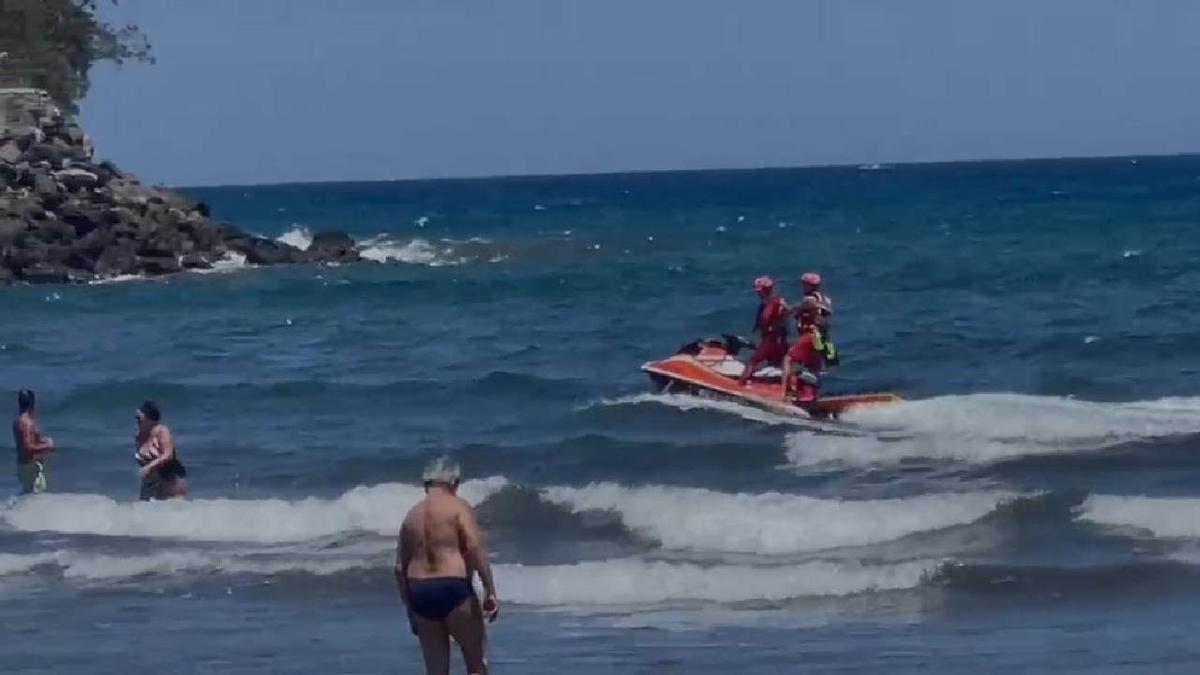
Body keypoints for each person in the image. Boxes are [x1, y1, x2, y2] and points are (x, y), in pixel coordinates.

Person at [396, 456, 499, 675]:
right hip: (454, 588)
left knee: (436, 671)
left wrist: (411, 609)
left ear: (427, 484)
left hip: (420, 592)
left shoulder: (410, 517)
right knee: (476, 666)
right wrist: (490, 590)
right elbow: (473, 547)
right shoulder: (457, 507)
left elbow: (399, 568)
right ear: (453, 483)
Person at [738, 276, 791, 386]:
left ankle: (740, 385)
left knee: (752, 361)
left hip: (772, 339)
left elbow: (783, 314)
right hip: (778, 339)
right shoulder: (771, 303)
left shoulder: (774, 303)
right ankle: (777, 388)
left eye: (760, 291)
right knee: (775, 364)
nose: (758, 294)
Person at [134, 401, 188, 501]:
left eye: (139, 418)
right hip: (151, 481)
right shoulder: (139, 436)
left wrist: (149, 467)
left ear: (149, 419)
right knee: (144, 509)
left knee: (172, 510)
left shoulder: (161, 431)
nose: (136, 421)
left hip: (171, 478)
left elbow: (168, 454)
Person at [781, 298, 827, 404]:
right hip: (817, 343)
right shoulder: (814, 319)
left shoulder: (809, 325)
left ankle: (785, 393)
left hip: (810, 339)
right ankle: (811, 392)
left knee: (788, 359)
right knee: (812, 362)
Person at [13, 389, 54, 495]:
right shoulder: (26, 423)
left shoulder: (19, 421)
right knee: (33, 494)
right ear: (32, 403)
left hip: (24, 465)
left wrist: (40, 441)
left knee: (30, 493)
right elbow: (27, 447)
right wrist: (47, 446)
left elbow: (26, 442)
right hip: (29, 467)